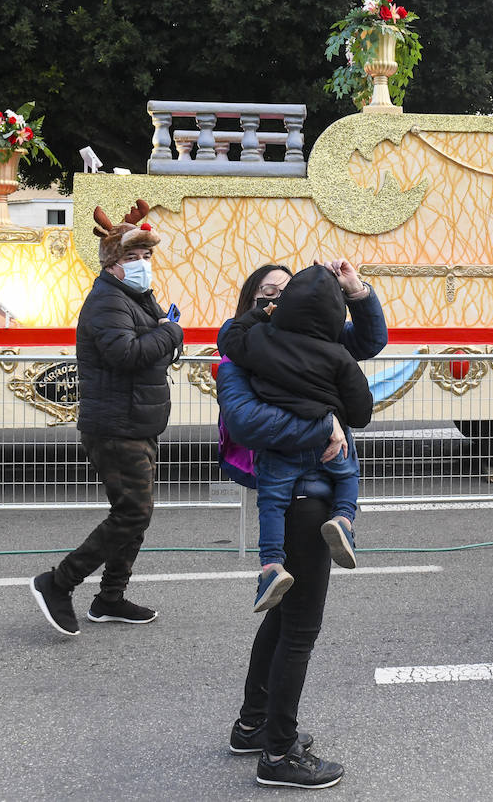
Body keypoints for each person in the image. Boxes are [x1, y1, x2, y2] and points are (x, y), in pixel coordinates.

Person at [220, 259, 387, 790]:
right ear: (252, 299)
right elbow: (245, 421)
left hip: (297, 493)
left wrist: (357, 292)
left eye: (282, 291)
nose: (273, 298)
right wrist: (323, 422)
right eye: (265, 291)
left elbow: (370, 339)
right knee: (300, 629)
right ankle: (280, 753)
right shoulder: (241, 355)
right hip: (304, 501)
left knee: (283, 617)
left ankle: (253, 724)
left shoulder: (277, 341)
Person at [29, 220, 183, 636]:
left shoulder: (134, 297)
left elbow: (145, 347)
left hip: (136, 421)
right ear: (112, 263)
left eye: (147, 257)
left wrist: (164, 330)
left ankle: (111, 598)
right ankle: (58, 583)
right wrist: (170, 331)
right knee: (133, 513)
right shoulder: (108, 301)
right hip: (117, 426)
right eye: (131, 258)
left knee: (135, 514)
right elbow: (126, 354)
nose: (142, 265)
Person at [218, 265, 374, 612]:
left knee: (271, 502)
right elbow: (362, 411)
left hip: (279, 450)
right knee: (348, 475)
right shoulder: (338, 355)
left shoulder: (260, 341)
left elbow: (229, 339)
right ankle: (343, 521)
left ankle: (272, 566)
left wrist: (260, 314)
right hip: (328, 447)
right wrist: (335, 418)